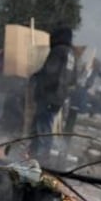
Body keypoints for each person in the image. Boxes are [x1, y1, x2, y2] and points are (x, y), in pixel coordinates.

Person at [29, 27, 76, 161]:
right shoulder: (71, 54)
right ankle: (36, 154)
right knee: (45, 125)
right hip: (59, 98)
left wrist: (36, 77)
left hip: (49, 95)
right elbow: (73, 79)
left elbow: (49, 72)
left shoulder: (58, 51)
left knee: (42, 126)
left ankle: (40, 157)